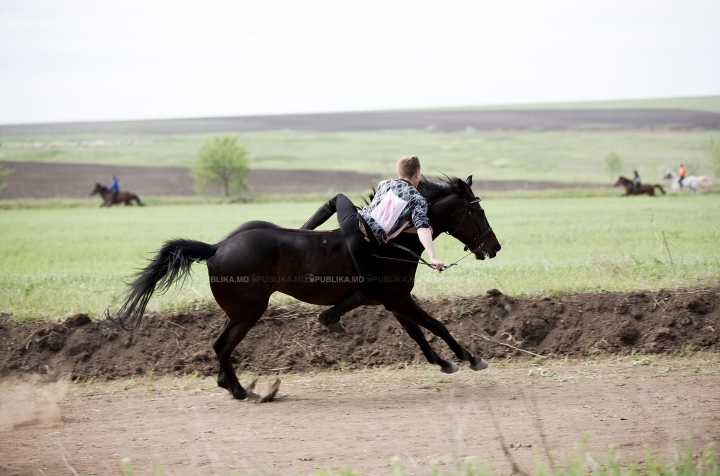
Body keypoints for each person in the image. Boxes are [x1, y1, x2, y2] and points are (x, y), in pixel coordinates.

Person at [300, 155, 444, 333]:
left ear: (399, 173)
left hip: (351, 222)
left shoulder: (385, 184)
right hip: (361, 240)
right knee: (371, 288)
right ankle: (329, 316)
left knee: (338, 199)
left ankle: (301, 232)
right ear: (417, 174)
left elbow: (385, 218)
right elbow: (421, 229)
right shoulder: (417, 199)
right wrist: (433, 257)